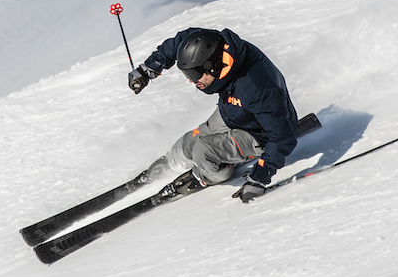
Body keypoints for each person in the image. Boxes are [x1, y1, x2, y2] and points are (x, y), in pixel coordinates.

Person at [125, 27, 299, 203]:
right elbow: (181, 42)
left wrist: (258, 179)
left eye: (194, 74)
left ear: (210, 66)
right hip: (234, 111)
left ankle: (207, 175)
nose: (191, 80)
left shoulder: (257, 88)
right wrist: (147, 70)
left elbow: (281, 137)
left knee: (203, 151)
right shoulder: (213, 44)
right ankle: (166, 167)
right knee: (187, 143)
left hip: (259, 134)